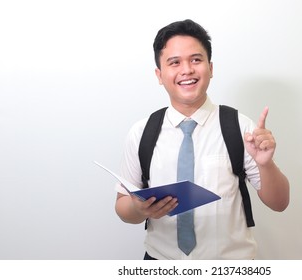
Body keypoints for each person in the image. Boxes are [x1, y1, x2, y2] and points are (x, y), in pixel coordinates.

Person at [115, 19, 289, 260]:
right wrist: (138, 208)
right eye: (174, 62)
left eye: (196, 60)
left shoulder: (241, 127)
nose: (186, 70)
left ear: (211, 67)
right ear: (159, 74)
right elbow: (123, 207)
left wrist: (266, 164)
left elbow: (280, 203)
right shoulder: (141, 132)